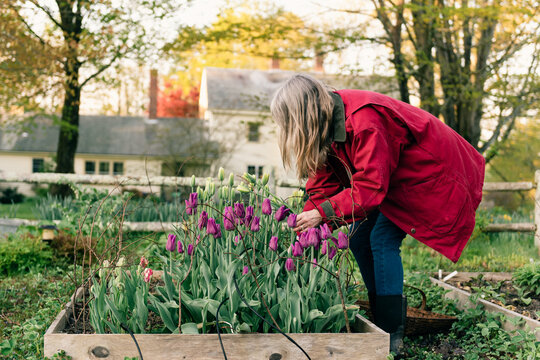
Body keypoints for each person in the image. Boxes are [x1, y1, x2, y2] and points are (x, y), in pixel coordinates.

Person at [270, 74, 485, 353]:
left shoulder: (364, 120)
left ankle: (391, 332)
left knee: (382, 239)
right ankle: (380, 315)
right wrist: (310, 219)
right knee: (359, 238)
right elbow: (323, 180)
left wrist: (323, 214)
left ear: (303, 115)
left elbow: (371, 187)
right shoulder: (329, 123)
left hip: (431, 173)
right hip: (394, 178)